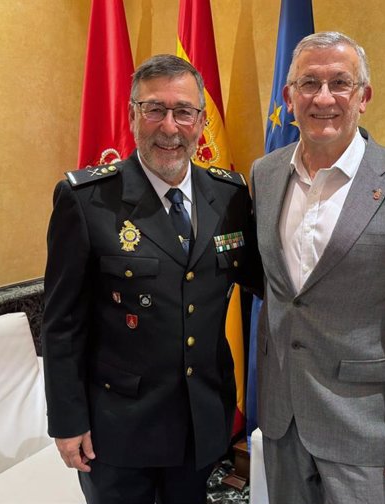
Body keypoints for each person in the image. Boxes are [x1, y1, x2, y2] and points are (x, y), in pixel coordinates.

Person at [41, 54, 261, 504]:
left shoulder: (230, 194)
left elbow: (265, 279)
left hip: (201, 421)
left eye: (183, 111)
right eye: (154, 109)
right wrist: (67, 422)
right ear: (131, 115)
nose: (169, 127)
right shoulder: (87, 200)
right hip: (118, 428)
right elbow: (61, 324)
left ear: (200, 121)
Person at [251, 32, 385, 504]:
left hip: (365, 429)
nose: (323, 98)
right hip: (282, 420)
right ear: (289, 97)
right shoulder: (264, 174)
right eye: (309, 83)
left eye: (340, 83)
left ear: (364, 97)